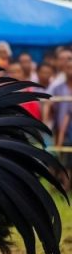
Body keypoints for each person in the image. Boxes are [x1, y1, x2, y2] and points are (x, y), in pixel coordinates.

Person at [54, 60, 72, 191]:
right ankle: (63, 189)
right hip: (63, 130)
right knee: (64, 162)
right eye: (68, 66)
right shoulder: (58, 88)